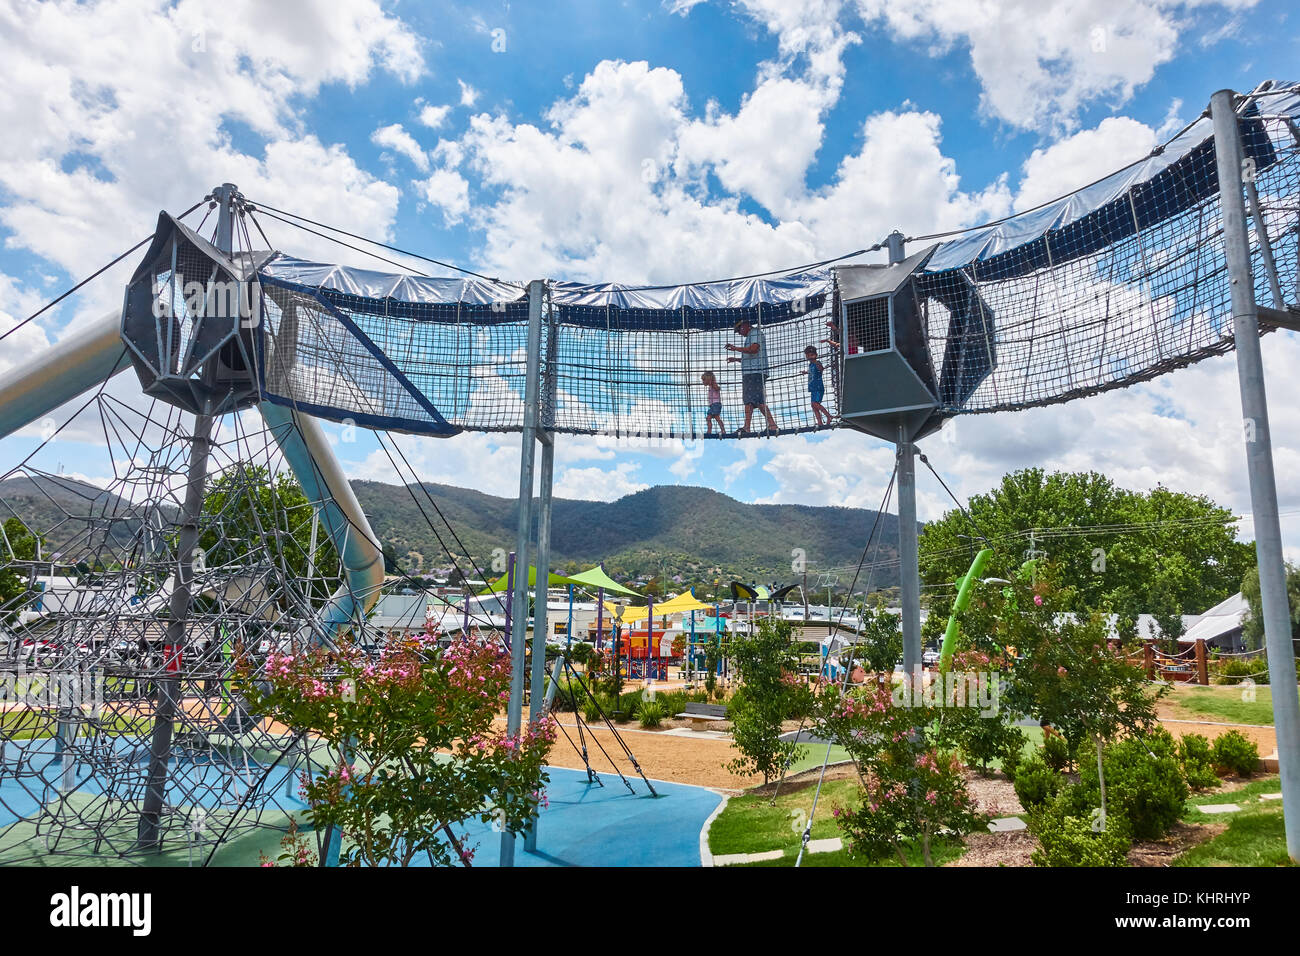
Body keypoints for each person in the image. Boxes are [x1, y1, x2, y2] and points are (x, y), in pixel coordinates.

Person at [725, 318, 778, 434]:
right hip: (751, 372)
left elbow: (754, 349)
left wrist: (735, 348)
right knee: (750, 401)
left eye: (739, 330)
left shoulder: (755, 333)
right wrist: (737, 359)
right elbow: (751, 356)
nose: (739, 333)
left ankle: (771, 425)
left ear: (745, 325)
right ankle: (748, 427)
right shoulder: (751, 336)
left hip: (755, 372)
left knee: (758, 401)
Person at [805, 345, 830, 425]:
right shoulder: (810, 365)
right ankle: (819, 422)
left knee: (816, 404)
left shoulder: (817, 362)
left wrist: (821, 367)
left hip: (818, 387)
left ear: (816, 355)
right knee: (813, 405)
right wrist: (806, 372)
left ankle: (828, 416)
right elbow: (812, 372)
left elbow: (820, 369)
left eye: (811, 355)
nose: (810, 357)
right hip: (813, 388)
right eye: (808, 355)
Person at [700, 370, 725, 435]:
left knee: (715, 418)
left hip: (716, 404)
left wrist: (715, 386)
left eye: (704, 380)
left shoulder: (713, 384)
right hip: (712, 405)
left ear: (709, 379)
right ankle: (710, 431)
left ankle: (722, 430)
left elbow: (717, 388)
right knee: (709, 418)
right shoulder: (710, 386)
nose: (703, 382)